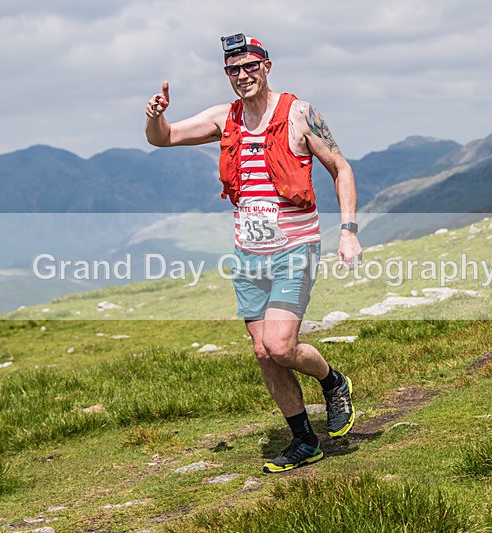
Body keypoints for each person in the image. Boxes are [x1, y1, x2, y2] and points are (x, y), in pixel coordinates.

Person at [144, 34, 362, 473]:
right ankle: (304, 440)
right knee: (264, 352)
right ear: (226, 74)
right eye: (233, 69)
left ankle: (333, 381)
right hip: (249, 255)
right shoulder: (225, 118)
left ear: (267, 66)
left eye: (250, 66)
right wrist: (154, 117)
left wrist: (349, 232)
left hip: (295, 248)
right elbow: (162, 139)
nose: (242, 75)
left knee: (281, 346)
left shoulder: (300, 114)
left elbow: (341, 168)